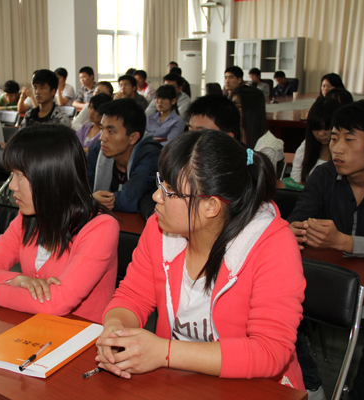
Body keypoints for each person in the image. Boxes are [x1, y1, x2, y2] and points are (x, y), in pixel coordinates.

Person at [96, 130, 305, 391]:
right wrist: (115, 329)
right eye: (161, 183)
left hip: (251, 387)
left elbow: (269, 351)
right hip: (177, 382)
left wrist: (164, 353)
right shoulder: (159, 229)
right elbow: (133, 296)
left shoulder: (271, 244)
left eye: (170, 191)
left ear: (211, 206)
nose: (156, 196)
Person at [287, 101, 364, 400]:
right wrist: (295, 228)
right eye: (334, 138)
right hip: (329, 281)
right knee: (278, 312)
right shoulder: (324, 175)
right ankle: (311, 385)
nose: (337, 148)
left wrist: (343, 242)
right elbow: (298, 216)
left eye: (349, 139)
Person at [0, 124, 119, 323]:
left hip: (81, 335)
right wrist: (18, 280)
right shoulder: (27, 218)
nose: (12, 186)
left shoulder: (101, 227)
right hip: (34, 325)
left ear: (51, 176)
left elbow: (58, 302)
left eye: (20, 175)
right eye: (12, 174)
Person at [87, 98, 162, 214]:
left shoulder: (150, 155)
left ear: (133, 138)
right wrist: (90, 198)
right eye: (102, 128)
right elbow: (77, 188)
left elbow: (131, 199)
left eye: (111, 131)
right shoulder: (97, 149)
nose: (102, 137)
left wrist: (91, 200)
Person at [291, 96, 345, 183]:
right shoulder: (306, 146)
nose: (321, 134)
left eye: (326, 128)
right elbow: (295, 181)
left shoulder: (345, 150)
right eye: (316, 129)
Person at [232, 85, 284, 171]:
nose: (232, 111)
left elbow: (261, 178)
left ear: (252, 110)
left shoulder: (267, 146)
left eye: (238, 106)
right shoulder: (232, 135)